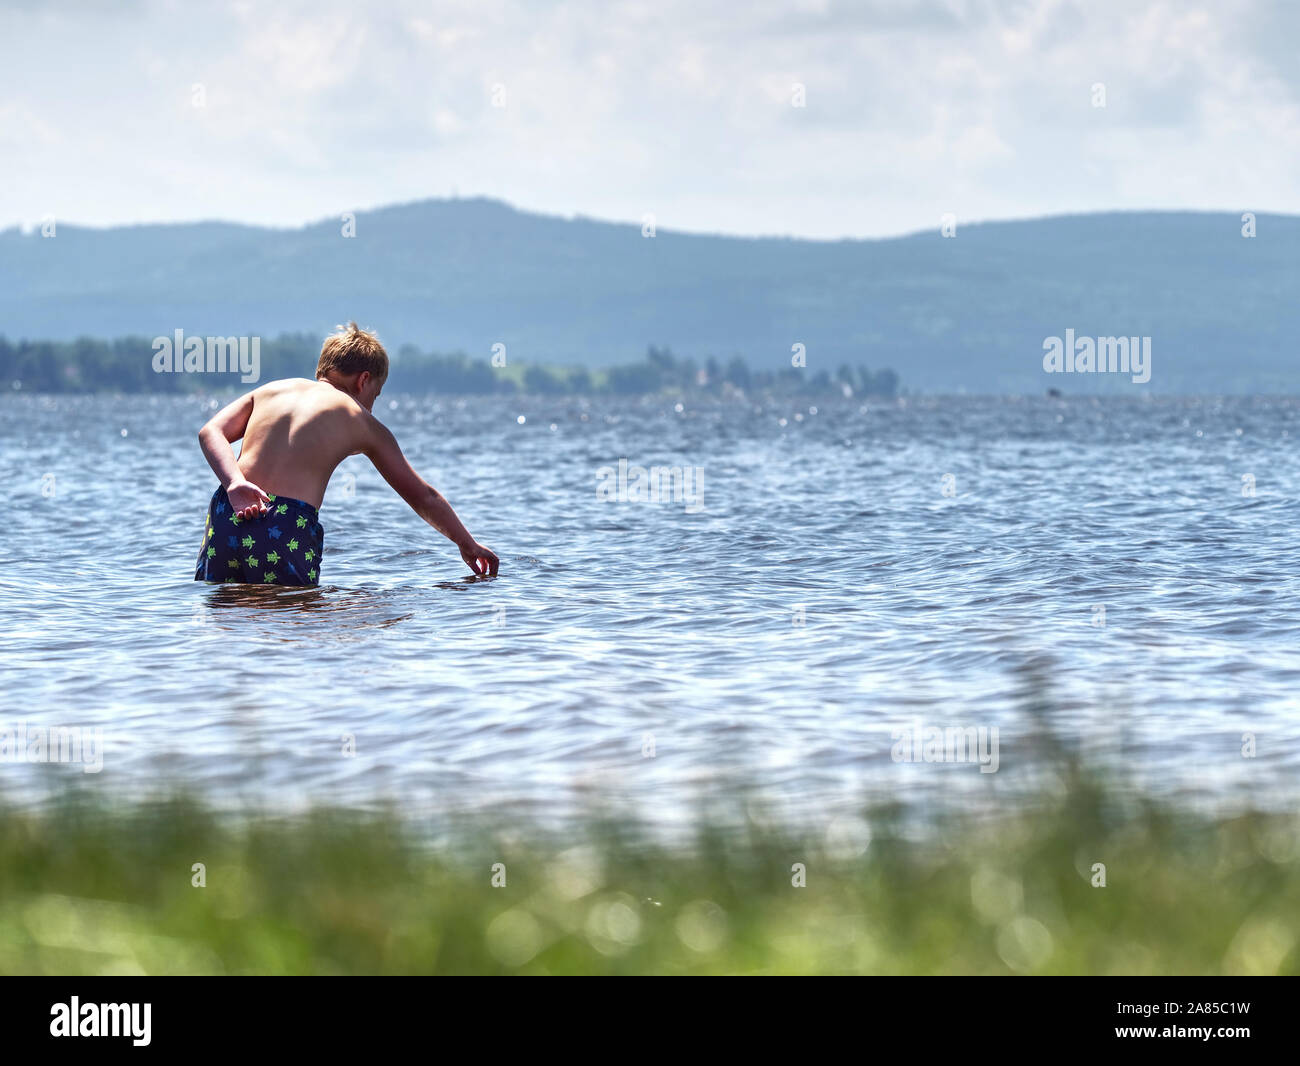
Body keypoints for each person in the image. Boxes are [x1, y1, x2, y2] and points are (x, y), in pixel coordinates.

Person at [195, 322, 498, 585]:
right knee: (289, 627)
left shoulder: (272, 390)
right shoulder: (360, 420)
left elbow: (210, 432)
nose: (371, 405)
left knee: (226, 620)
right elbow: (423, 496)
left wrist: (234, 483)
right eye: (374, 396)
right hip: (285, 524)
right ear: (364, 380)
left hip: (229, 509)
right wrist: (466, 542)